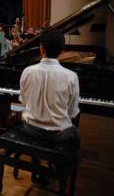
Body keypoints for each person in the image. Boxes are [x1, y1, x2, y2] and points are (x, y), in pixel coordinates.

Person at [19, 29, 80, 184]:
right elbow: (73, 113)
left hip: (30, 128)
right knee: (75, 134)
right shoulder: (71, 76)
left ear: (41, 48)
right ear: (62, 51)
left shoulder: (27, 71)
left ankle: (38, 167)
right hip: (58, 134)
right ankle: (60, 168)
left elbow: (24, 102)